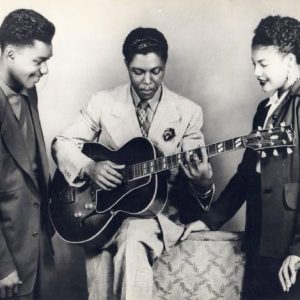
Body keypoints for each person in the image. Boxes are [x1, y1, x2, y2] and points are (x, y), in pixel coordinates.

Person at [52, 27, 214, 299]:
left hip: (156, 216)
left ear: (165, 65)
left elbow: (195, 180)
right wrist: (89, 167)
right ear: (126, 65)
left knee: (133, 235)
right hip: (104, 215)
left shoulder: (188, 112)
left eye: (156, 71)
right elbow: (62, 143)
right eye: (138, 72)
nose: (148, 81)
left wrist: (203, 181)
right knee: (101, 261)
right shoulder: (102, 102)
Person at [187, 15, 300, 299]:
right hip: (260, 237)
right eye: (254, 64)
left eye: (263, 64)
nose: (256, 73)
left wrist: (298, 251)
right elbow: (246, 176)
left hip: (291, 247)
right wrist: (209, 219)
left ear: (289, 61)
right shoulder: (265, 109)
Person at [0, 9, 56, 300]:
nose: (44, 70)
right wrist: (3, 266)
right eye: (38, 61)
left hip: (37, 252)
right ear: (10, 54)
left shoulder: (28, 90)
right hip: (7, 262)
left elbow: (33, 166)